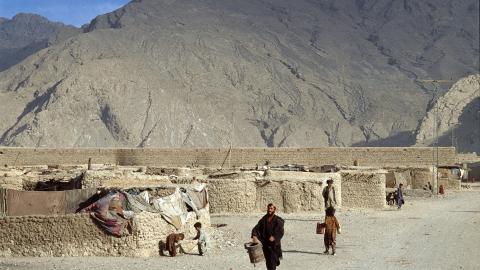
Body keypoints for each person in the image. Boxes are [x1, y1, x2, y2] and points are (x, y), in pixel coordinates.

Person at [251, 203, 284, 270]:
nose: (269, 210)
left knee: (272, 264)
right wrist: (254, 235)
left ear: (274, 209)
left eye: (271, 208)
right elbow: (256, 228)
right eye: (268, 208)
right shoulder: (264, 219)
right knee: (268, 264)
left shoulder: (278, 220)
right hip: (265, 246)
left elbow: (280, 231)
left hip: (274, 246)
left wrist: (274, 237)